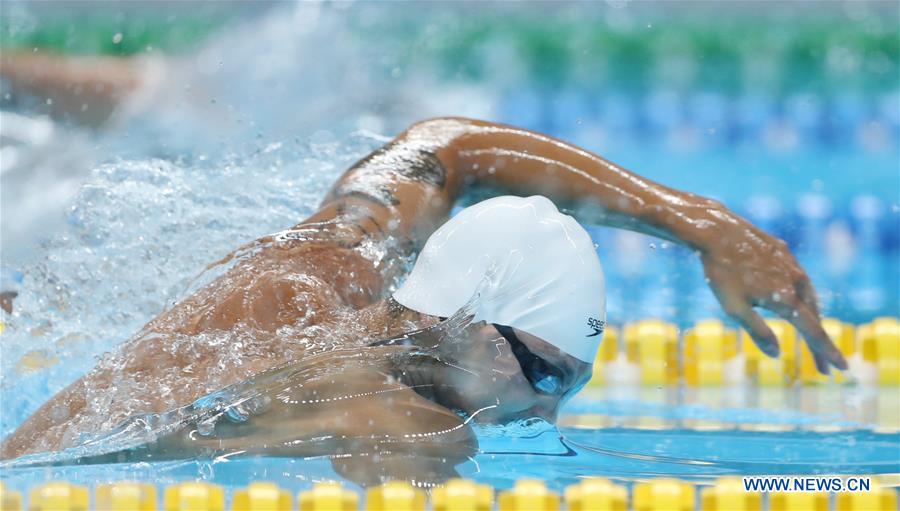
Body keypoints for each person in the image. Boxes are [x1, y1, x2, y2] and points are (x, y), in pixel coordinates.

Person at [0, 116, 847, 484]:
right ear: (472, 328)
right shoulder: (415, 427)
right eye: (546, 377)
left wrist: (701, 223)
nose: (541, 412)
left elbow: (451, 149)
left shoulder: (346, 259)